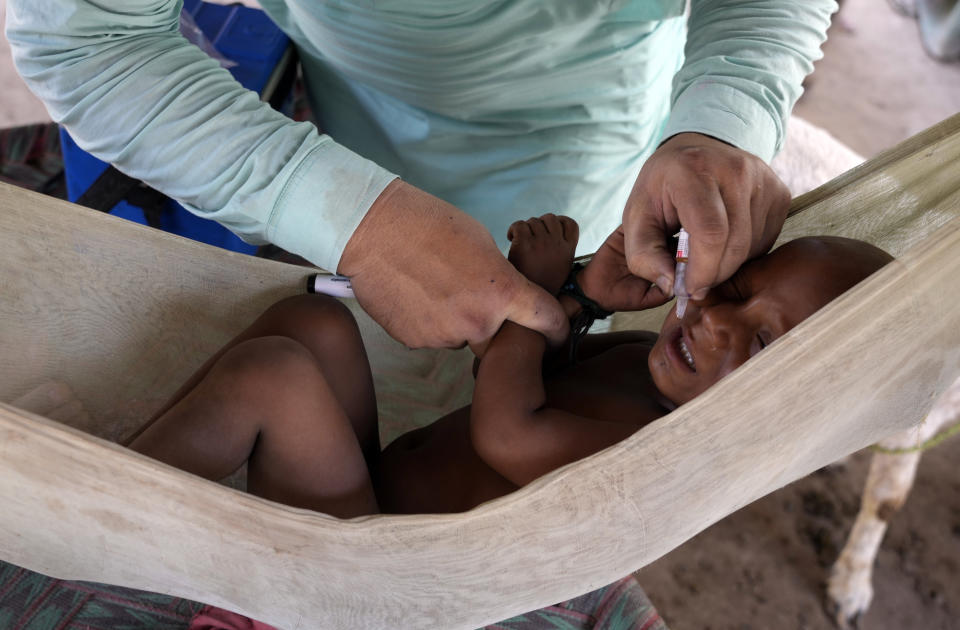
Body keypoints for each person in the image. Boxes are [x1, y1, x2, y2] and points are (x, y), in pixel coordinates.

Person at [6, 1, 837, 351]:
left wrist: (726, 116)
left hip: (595, 112)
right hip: (354, 81)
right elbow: (86, 37)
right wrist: (358, 222)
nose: (719, 335)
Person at [124, 214, 891, 517]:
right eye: (742, 289)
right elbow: (521, 369)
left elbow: (507, 430)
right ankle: (110, 466)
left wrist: (531, 299)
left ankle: (105, 512)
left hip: (367, 564)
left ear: (786, 411)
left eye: (759, 344)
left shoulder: (657, 453)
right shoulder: (643, 364)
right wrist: (581, 297)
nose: (717, 319)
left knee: (275, 378)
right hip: (367, 489)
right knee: (313, 321)